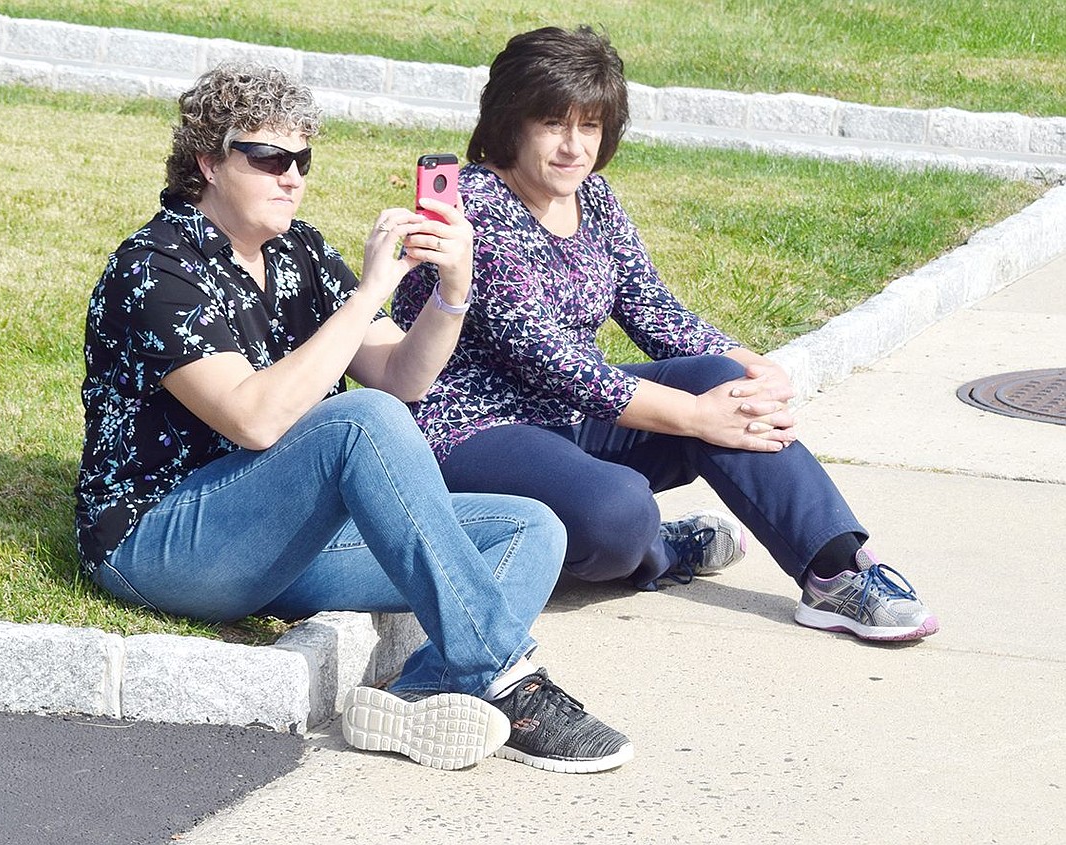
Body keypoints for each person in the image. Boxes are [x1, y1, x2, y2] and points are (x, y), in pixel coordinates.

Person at [74, 61, 632, 774]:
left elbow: (404, 376)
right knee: (356, 418)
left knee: (532, 527)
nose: (292, 177)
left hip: (267, 537)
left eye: (302, 159)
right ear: (208, 161)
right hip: (158, 538)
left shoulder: (298, 250)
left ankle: (418, 694)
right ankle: (508, 678)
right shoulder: (154, 269)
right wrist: (367, 293)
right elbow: (256, 419)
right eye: (270, 157)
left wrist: (452, 293)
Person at [393, 26, 939, 643]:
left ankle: (837, 572)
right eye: (553, 124)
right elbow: (553, 359)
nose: (575, 148)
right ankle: (659, 548)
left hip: (568, 416)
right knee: (619, 511)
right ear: (511, 124)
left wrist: (751, 366)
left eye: (591, 127)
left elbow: (651, 307)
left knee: (728, 385)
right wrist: (696, 417)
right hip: (471, 429)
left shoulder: (590, 197)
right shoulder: (476, 208)